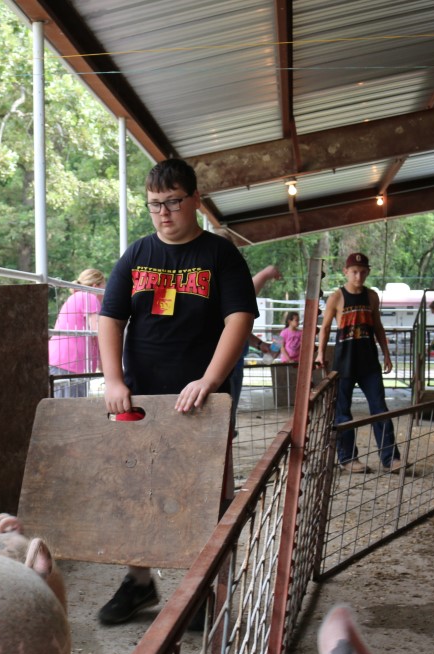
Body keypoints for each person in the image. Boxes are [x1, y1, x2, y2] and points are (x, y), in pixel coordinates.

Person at [96, 157, 257, 625]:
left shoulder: (220, 255)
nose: (163, 213)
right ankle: (138, 581)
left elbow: (239, 319)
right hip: (142, 397)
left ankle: (201, 589)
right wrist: (113, 380)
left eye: (172, 202)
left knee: (202, 496)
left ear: (195, 201)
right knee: (134, 490)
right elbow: (110, 318)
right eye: (154, 204)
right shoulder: (137, 254)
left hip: (202, 400)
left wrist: (210, 380)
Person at [317, 252, 402, 473]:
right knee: (343, 412)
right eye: (354, 272)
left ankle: (391, 459)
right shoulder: (336, 297)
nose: (358, 276)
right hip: (344, 363)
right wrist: (320, 353)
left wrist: (386, 354)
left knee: (380, 408)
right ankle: (348, 459)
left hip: (369, 363)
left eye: (363, 272)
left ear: (368, 272)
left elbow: (378, 326)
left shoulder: (372, 296)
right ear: (346, 272)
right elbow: (325, 327)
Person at [228, 265, 282, 425]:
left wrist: (260, 345)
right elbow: (244, 297)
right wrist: (265, 274)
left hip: (236, 363)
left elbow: (239, 327)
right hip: (226, 365)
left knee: (229, 415)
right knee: (225, 417)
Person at [48, 268, 106, 398]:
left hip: (62, 362)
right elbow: (98, 333)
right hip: (72, 365)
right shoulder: (90, 297)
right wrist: (107, 366)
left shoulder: (76, 297)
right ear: (95, 286)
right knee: (70, 407)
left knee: (61, 405)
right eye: (103, 287)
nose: (104, 293)